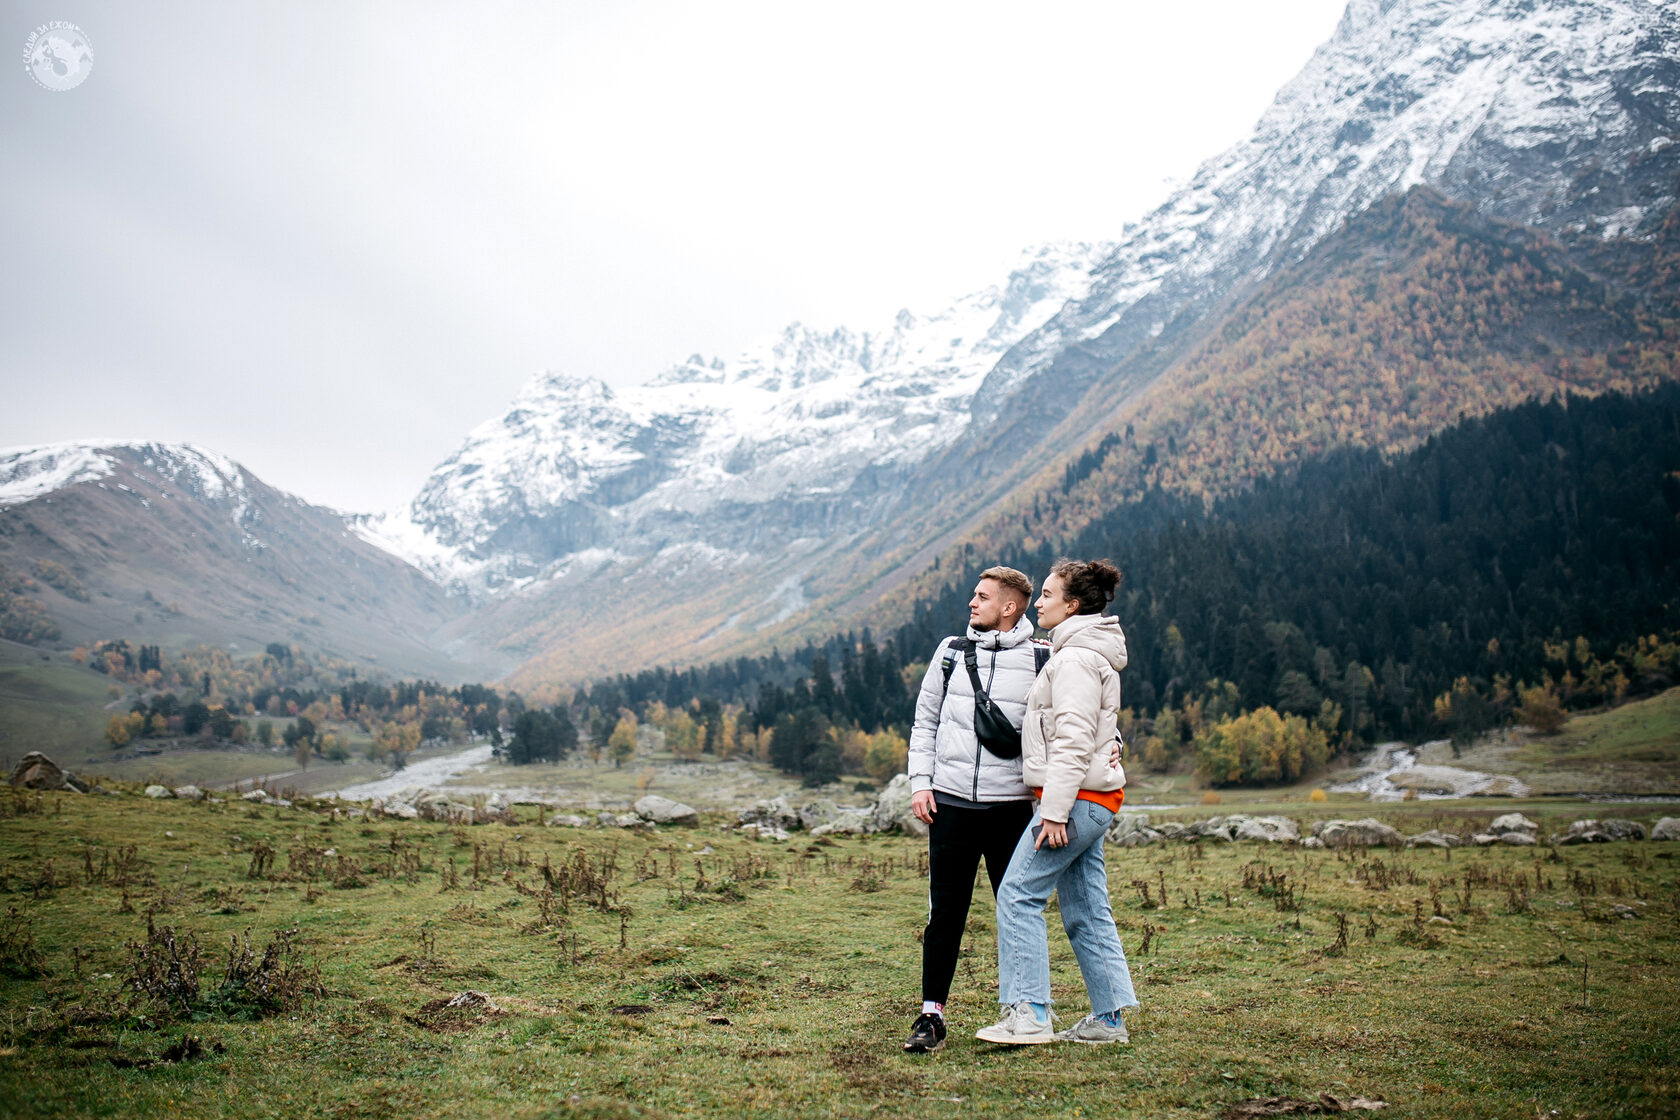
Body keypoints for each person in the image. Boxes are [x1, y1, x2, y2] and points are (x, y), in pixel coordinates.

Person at [976, 558, 1139, 1046]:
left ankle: (1029, 1014)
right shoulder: (1086, 652)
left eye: (1046, 595)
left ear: (1073, 605)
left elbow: (1072, 740)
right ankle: (1108, 1020)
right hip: (1093, 798)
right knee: (1086, 906)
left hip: (1073, 803)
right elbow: (1092, 732)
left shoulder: (1073, 659)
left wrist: (1053, 812)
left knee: (1018, 894)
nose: (1038, 603)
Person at [901, 566, 1044, 1053]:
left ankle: (1020, 1012)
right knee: (945, 915)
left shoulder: (1044, 660)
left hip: (1013, 812)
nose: (971, 603)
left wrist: (1112, 745)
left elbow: (1079, 719)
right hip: (951, 806)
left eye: (981, 597)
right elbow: (924, 723)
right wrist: (922, 784)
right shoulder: (949, 654)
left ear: (1009, 607)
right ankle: (930, 1017)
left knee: (1017, 912)